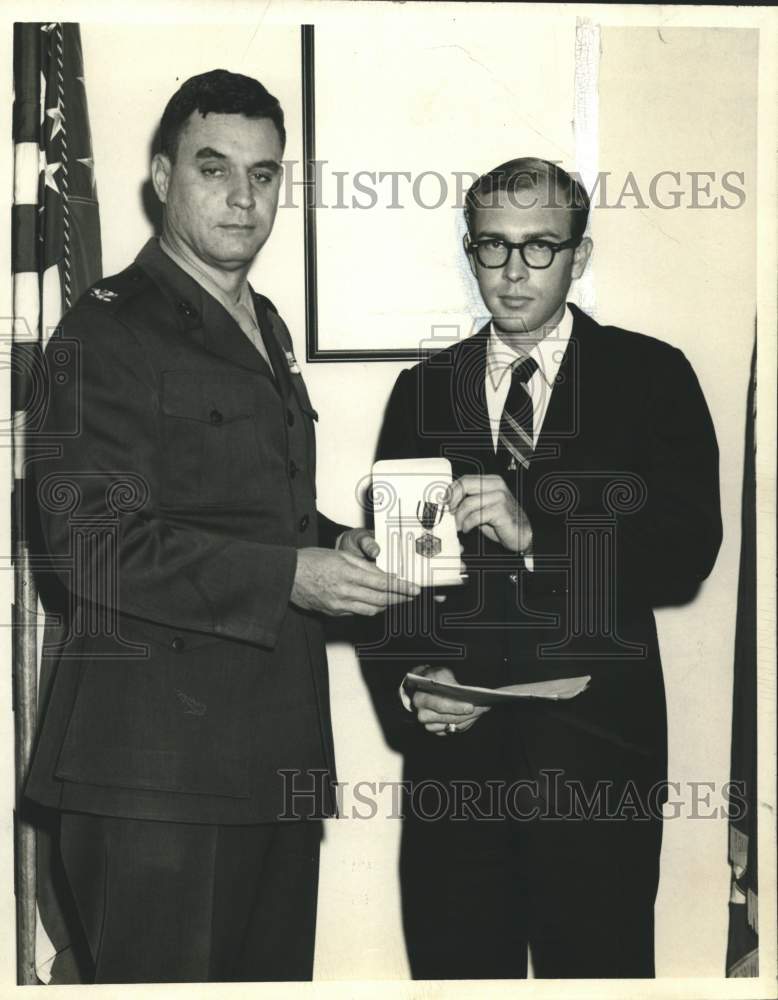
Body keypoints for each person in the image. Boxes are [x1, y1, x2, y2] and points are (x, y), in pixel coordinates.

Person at [24, 69, 418, 984]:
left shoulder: (262, 321)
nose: (245, 198)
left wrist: (333, 543)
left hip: (270, 758)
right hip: (152, 774)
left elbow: (246, 505)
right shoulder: (102, 332)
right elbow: (89, 544)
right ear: (162, 178)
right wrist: (290, 574)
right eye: (215, 169)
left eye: (267, 174)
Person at [364, 158, 722, 979]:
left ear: (580, 256)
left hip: (597, 772)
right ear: (469, 251)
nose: (514, 271)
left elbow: (686, 550)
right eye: (493, 247)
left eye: (540, 247)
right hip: (454, 783)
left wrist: (539, 536)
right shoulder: (423, 389)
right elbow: (396, 577)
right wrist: (417, 679)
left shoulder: (652, 375)